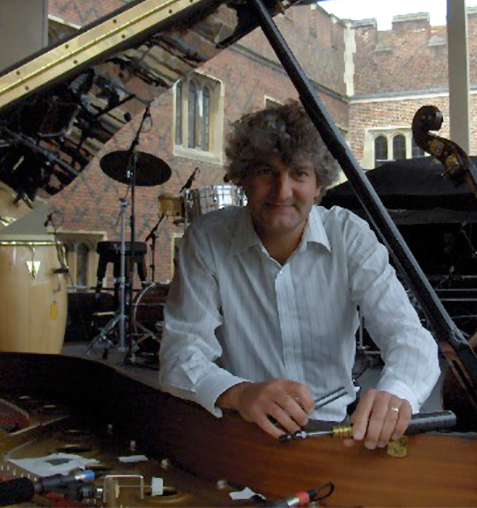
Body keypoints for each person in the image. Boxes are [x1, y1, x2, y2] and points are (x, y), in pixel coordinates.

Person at [159, 101, 440, 450]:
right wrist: (241, 393)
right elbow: (181, 354)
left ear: (319, 185)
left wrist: (396, 394)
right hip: (242, 434)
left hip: (336, 436)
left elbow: (410, 338)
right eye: (266, 172)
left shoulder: (349, 236)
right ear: (244, 178)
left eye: (299, 174)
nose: (282, 191)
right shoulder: (206, 239)